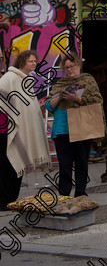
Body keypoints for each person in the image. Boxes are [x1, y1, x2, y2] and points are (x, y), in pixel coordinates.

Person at [46, 51, 105, 197]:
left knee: (81, 163)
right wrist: (59, 98)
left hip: (82, 127)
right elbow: (48, 105)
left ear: (79, 65)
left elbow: (97, 100)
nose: (70, 69)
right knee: (64, 165)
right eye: (67, 67)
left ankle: (80, 193)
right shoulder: (60, 84)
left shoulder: (88, 80)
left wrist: (77, 99)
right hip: (62, 129)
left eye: (73, 66)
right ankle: (64, 195)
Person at [0, 50, 51, 209]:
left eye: (35, 61)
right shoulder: (10, 77)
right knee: (9, 166)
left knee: (19, 165)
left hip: (21, 132)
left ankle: (11, 199)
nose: (34, 63)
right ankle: (3, 201)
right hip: (7, 131)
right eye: (31, 61)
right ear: (22, 62)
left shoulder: (27, 80)